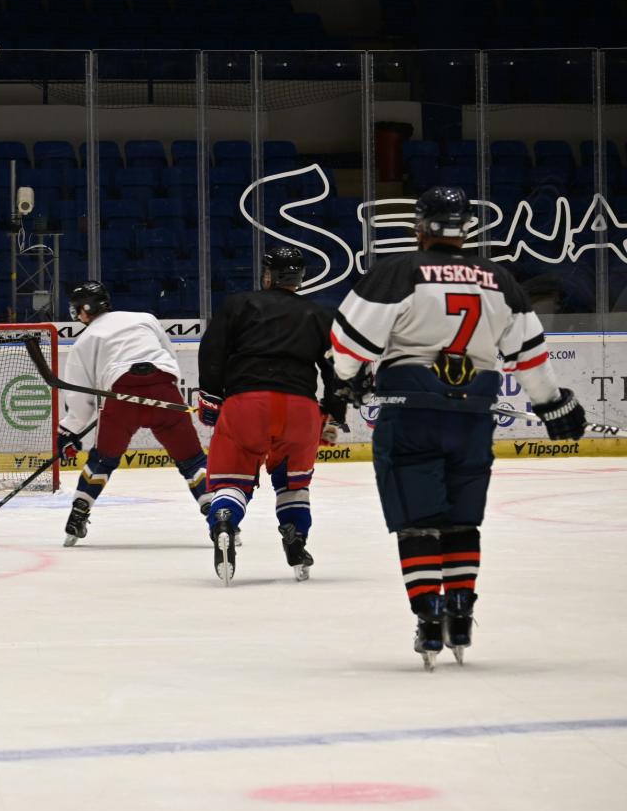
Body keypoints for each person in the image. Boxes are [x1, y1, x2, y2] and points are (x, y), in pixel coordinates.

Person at [330, 186, 586, 669]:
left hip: (411, 414)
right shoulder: (500, 280)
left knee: (418, 522)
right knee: (462, 519)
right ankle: (462, 613)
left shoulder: (399, 271)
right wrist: (551, 404)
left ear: (419, 227)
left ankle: (429, 617)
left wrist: (350, 378)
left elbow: (348, 345)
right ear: (467, 228)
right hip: (472, 418)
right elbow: (530, 357)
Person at [196, 245, 347, 585]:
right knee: (293, 483)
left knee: (232, 480)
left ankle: (224, 520)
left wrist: (211, 396)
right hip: (300, 409)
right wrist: (333, 413)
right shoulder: (318, 314)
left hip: (247, 404)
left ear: (267, 275)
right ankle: (296, 541)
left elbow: (213, 351)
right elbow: (336, 368)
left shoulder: (239, 304)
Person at [57, 282, 209, 546]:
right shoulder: (145, 319)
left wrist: (69, 429)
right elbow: (168, 358)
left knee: (102, 460)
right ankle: (219, 517)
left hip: (121, 398)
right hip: (164, 392)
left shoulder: (86, 339)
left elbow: (79, 395)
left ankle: (78, 514)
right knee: (192, 460)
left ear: (85, 309)